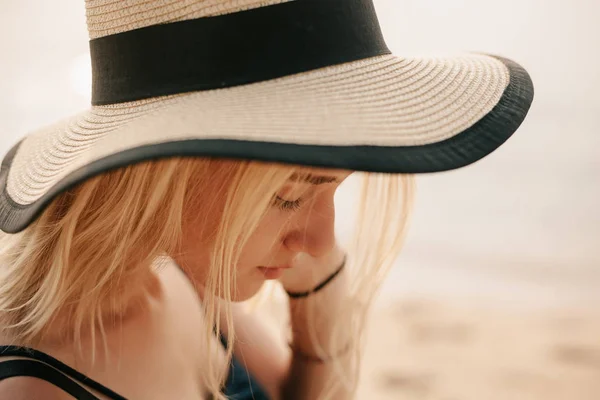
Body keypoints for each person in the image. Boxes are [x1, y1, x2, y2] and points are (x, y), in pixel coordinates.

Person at [0, 0, 534, 399]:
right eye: (288, 196)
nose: (321, 241)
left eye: (334, 189)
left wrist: (319, 297)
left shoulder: (175, 272)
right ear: (167, 172)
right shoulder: (38, 386)